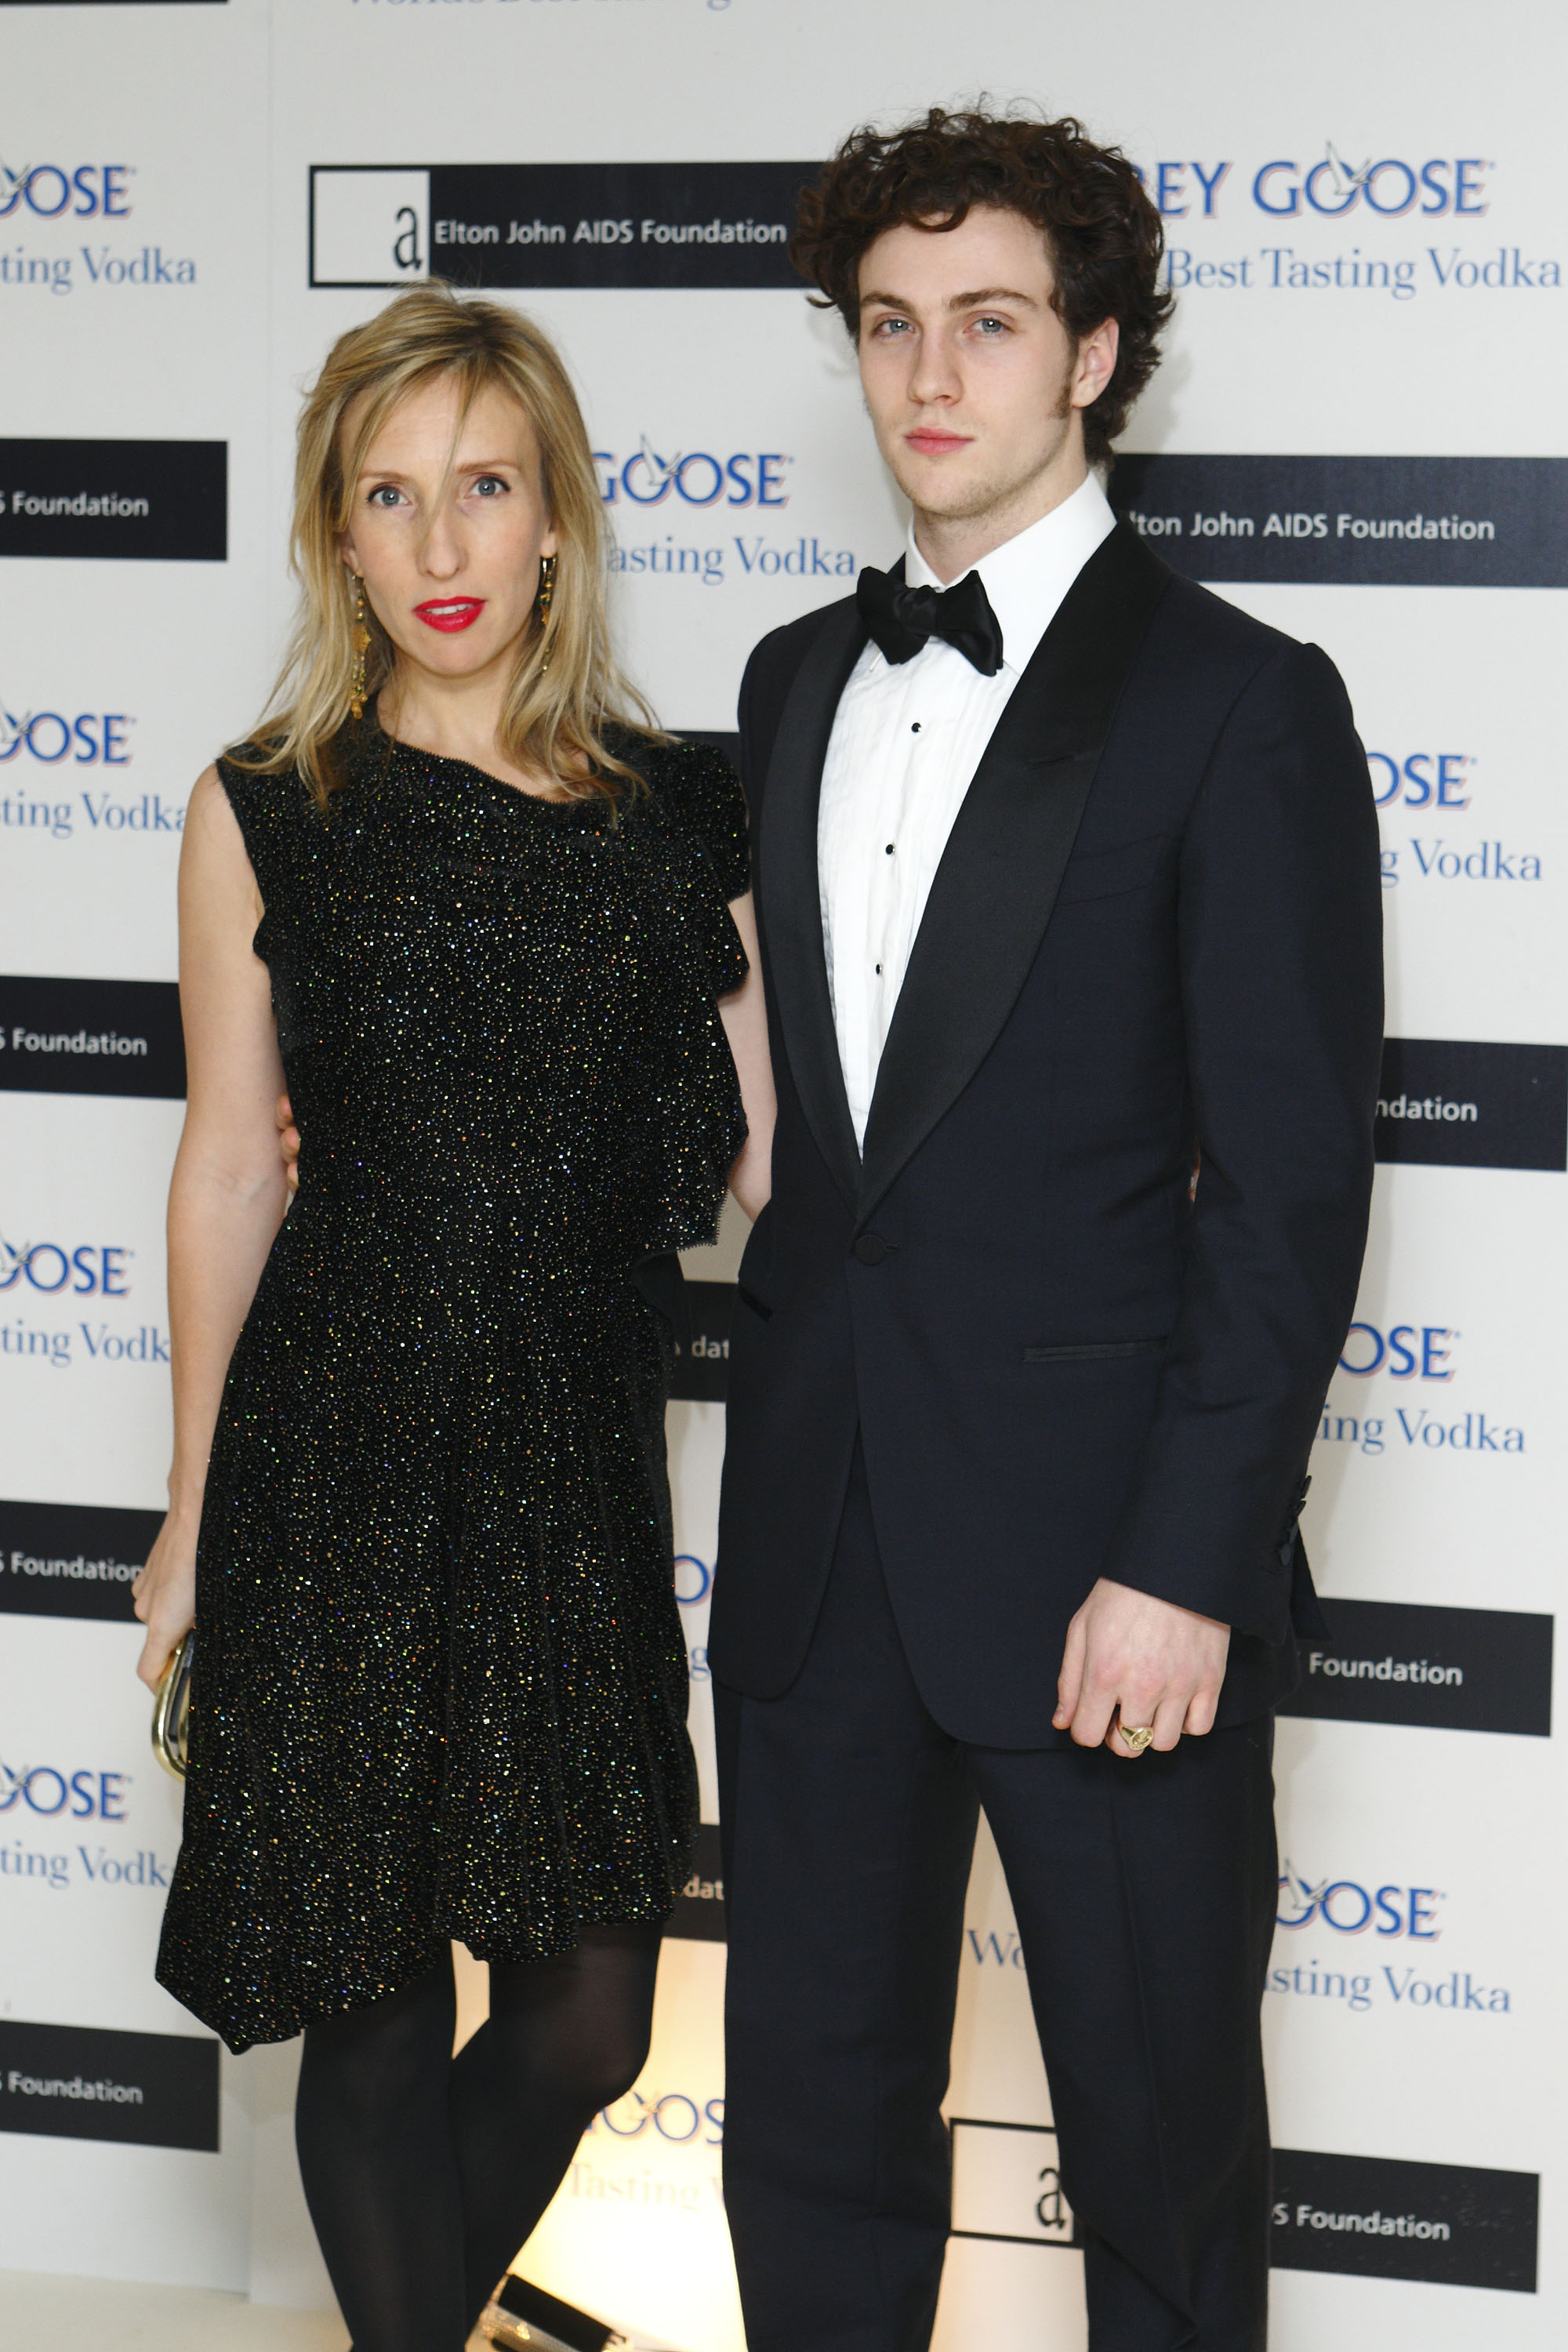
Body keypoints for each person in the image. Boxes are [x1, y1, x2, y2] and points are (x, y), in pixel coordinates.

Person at [710, 108, 1383, 2351]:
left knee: (1161, 2151)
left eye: (987, 326)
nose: (930, 376)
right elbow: (823, 1137)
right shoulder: (796, 682)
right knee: (807, 2134)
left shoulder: (1239, 705)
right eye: (890, 328)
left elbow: (1287, 1190)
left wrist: (1190, 1556)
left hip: (1111, 1570)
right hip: (817, 1547)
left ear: (1092, 352)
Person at [130, 283, 771, 2352]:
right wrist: (185, 1510)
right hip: (335, 1456)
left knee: (590, 2010)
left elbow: (785, 1163)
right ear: (334, 535)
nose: (441, 547)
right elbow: (234, 1168)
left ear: (557, 517)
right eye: (389, 498)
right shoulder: (265, 808)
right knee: (376, 2009)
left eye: (483, 488)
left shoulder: (687, 818)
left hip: (568, 1472)